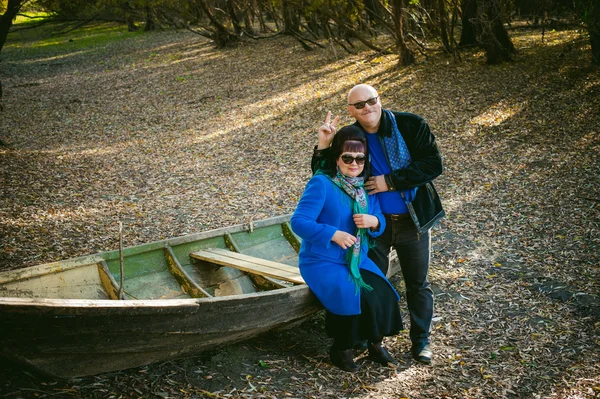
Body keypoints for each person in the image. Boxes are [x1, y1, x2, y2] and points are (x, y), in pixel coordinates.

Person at [311, 84, 445, 365]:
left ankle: (421, 341)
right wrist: (324, 143)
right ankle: (372, 340)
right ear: (351, 111)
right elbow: (326, 174)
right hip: (371, 225)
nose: (367, 108)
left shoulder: (410, 124)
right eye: (359, 105)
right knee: (370, 282)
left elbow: (433, 165)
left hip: (413, 220)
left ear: (379, 100)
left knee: (418, 284)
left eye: (371, 101)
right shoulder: (352, 136)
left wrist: (389, 181)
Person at [291, 125, 404, 373]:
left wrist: (375, 222)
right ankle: (341, 348)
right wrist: (332, 233)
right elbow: (298, 222)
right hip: (322, 260)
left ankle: (375, 344)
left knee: (382, 291)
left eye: (360, 158)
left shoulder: (367, 187)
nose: (354, 163)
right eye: (347, 157)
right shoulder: (322, 183)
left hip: (356, 258)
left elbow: (379, 220)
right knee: (351, 294)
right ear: (337, 157)